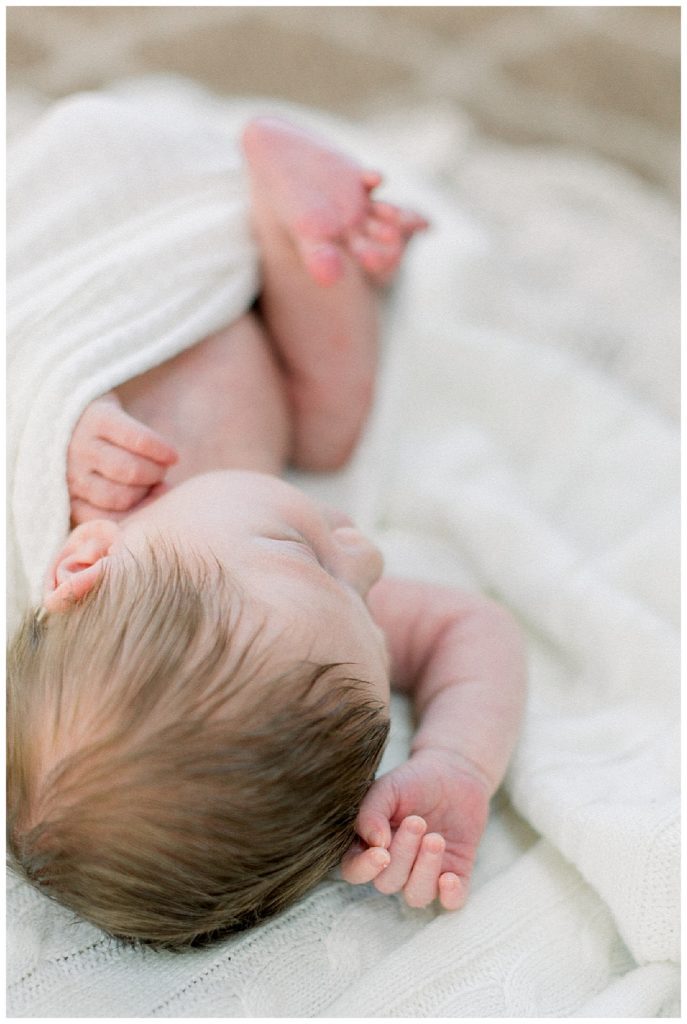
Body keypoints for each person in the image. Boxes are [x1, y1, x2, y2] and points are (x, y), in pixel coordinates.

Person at [7, 115, 526, 950]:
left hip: (118, 242)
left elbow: (24, 337)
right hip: (249, 334)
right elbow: (474, 627)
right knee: (328, 430)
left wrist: (55, 415)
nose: (362, 550)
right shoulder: (297, 632)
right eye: (360, 594)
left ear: (86, 561)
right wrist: (459, 762)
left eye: (305, 551)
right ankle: (293, 231)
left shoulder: (61, 509)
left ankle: (274, 213)